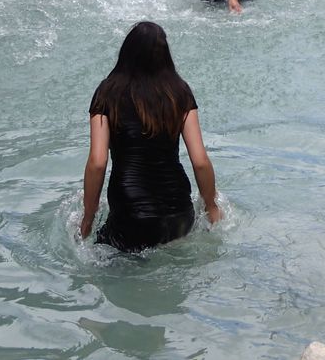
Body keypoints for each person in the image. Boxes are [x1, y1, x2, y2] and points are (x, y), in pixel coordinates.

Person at [80, 21, 222, 252]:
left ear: (126, 53)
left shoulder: (107, 92)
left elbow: (97, 162)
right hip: (179, 213)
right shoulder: (179, 91)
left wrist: (88, 218)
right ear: (165, 55)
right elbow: (200, 160)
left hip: (130, 216)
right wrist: (211, 206)